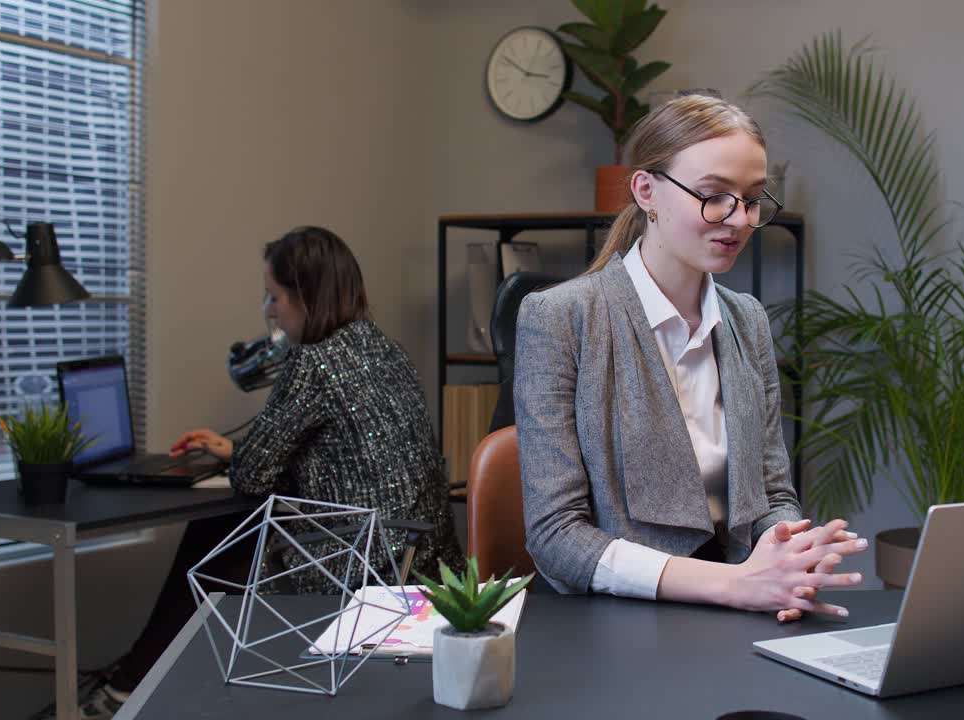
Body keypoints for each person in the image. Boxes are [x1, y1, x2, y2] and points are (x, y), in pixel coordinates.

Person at [57, 226, 463, 720]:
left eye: (274, 297)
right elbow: (338, 454)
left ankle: (128, 688)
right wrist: (234, 449)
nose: (269, 312)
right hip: (424, 562)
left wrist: (239, 457)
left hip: (359, 564)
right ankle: (132, 680)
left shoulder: (313, 362)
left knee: (219, 532)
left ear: (307, 298)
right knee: (223, 536)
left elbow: (252, 478)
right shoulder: (385, 350)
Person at [515, 94, 867, 621]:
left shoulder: (747, 320)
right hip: (615, 624)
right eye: (714, 196)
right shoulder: (561, 318)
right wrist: (734, 584)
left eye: (751, 199)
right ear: (646, 191)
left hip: (742, 610)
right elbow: (556, 538)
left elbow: (772, 493)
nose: (739, 219)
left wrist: (786, 551)